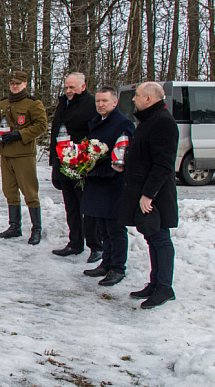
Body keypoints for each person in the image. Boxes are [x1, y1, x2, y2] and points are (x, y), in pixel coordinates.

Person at [115, 82, 179, 309]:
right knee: (151, 236)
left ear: (150, 99)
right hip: (144, 190)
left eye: (138, 95)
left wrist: (148, 195)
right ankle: (155, 283)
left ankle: (164, 288)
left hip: (156, 195)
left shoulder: (163, 123)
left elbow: (163, 164)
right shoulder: (149, 120)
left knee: (160, 238)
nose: (134, 99)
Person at [79, 86, 135, 287]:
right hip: (96, 179)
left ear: (115, 102)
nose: (100, 104)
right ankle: (106, 262)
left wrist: (106, 166)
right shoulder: (96, 122)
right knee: (102, 226)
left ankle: (118, 267)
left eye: (104, 101)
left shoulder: (123, 124)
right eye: (98, 101)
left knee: (115, 228)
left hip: (113, 181)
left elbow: (124, 153)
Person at [0, 70, 48, 245]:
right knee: (9, 191)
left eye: (18, 83)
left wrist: (20, 134)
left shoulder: (33, 104)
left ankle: (36, 228)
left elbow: (41, 125)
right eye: (12, 83)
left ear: (25, 84)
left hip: (24, 153)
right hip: (6, 153)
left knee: (30, 192)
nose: (14, 86)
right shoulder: (3, 103)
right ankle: (14, 226)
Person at [49, 73, 103, 260]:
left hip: (81, 164)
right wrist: (54, 163)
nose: (69, 91)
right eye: (66, 87)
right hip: (62, 162)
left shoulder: (90, 104)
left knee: (86, 206)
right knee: (71, 206)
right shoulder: (63, 104)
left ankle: (96, 245)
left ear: (83, 86)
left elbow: (96, 135)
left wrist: (87, 159)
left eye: (72, 87)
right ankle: (75, 243)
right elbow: (55, 134)